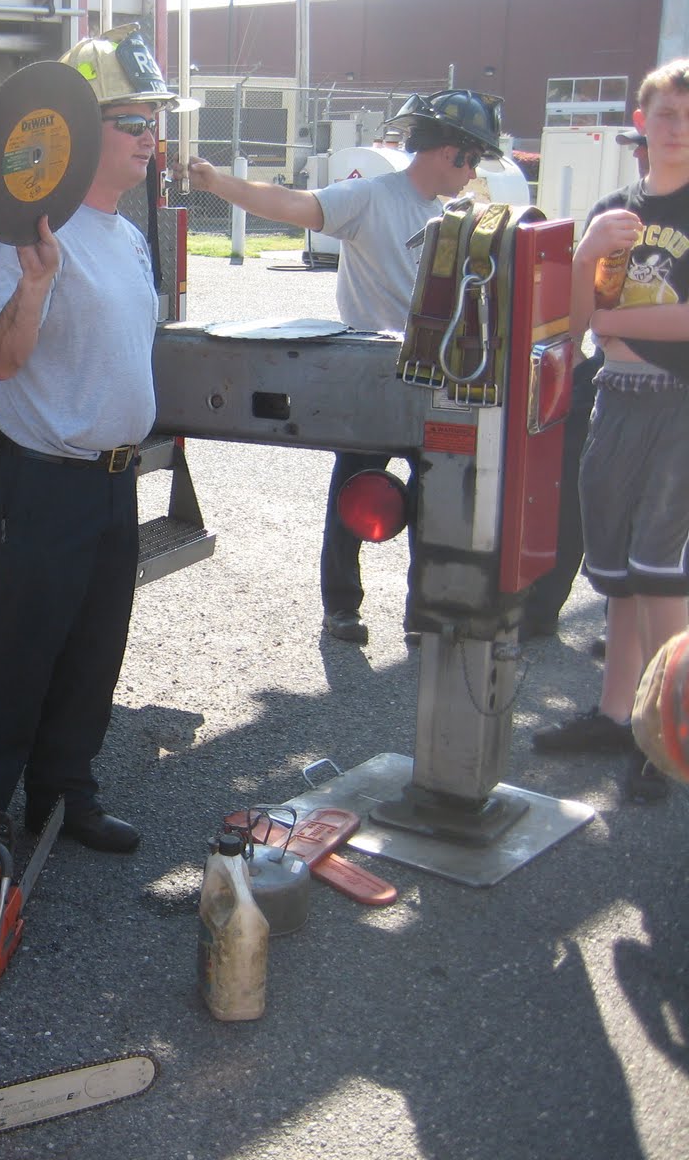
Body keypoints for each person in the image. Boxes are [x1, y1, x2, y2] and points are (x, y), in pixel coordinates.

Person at [0, 25, 196, 853]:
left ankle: (63, 796)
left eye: (156, 122)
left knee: (91, 653)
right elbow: (4, 362)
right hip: (44, 482)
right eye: (134, 122)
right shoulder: (34, 235)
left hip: (113, 480)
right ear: (83, 134)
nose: (152, 138)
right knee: (18, 652)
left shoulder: (121, 232)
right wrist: (38, 284)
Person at [187, 89, 506, 646]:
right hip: (373, 373)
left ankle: (423, 611)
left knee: (436, 497)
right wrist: (218, 182)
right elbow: (293, 205)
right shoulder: (371, 198)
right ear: (450, 152)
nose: (474, 170)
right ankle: (341, 607)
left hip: (437, 376)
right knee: (355, 487)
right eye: (472, 158)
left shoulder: (458, 215)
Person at [531, 58, 689, 804]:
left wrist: (618, 319)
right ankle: (615, 714)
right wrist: (589, 250)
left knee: (663, 573)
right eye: (667, 114)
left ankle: (668, 736)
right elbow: (572, 318)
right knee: (619, 571)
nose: (679, 127)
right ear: (641, 121)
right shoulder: (616, 206)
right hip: (615, 395)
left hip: (677, 404)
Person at [521, 127, 650, 644]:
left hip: (675, 385)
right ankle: (542, 607)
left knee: (660, 510)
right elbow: (581, 316)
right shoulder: (614, 208)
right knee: (576, 492)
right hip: (609, 375)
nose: (642, 154)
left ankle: (642, 629)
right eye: (640, 145)